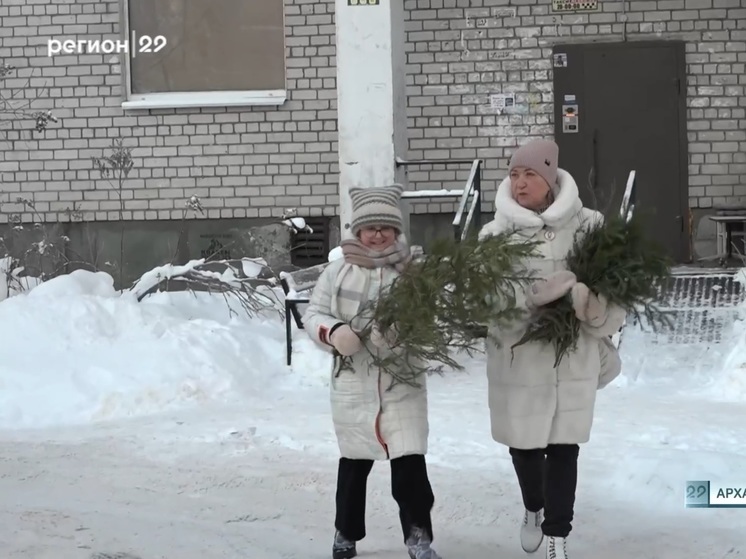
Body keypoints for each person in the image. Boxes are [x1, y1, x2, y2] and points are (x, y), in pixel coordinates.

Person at [478, 139, 625, 559]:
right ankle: (533, 509)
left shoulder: (589, 226)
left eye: (529, 174)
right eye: (514, 174)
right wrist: (529, 298)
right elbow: (481, 300)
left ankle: (558, 537)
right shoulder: (495, 233)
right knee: (524, 449)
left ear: (550, 178)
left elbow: (616, 297)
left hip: (570, 359)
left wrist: (590, 304)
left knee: (563, 449)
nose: (520, 183)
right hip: (518, 358)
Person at [303, 184, 441, 559]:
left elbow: (429, 318)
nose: (378, 234)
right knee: (354, 465)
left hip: (403, 380)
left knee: (410, 464)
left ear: (397, 230)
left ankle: (418, 536)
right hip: (353, 382)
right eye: (370, 227)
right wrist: (333, 333)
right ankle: (345, 533)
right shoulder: (338, 272)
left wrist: (403, 330)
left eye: (386, 227)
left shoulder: (411, 272)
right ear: (357, 231)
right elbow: (312, 314)